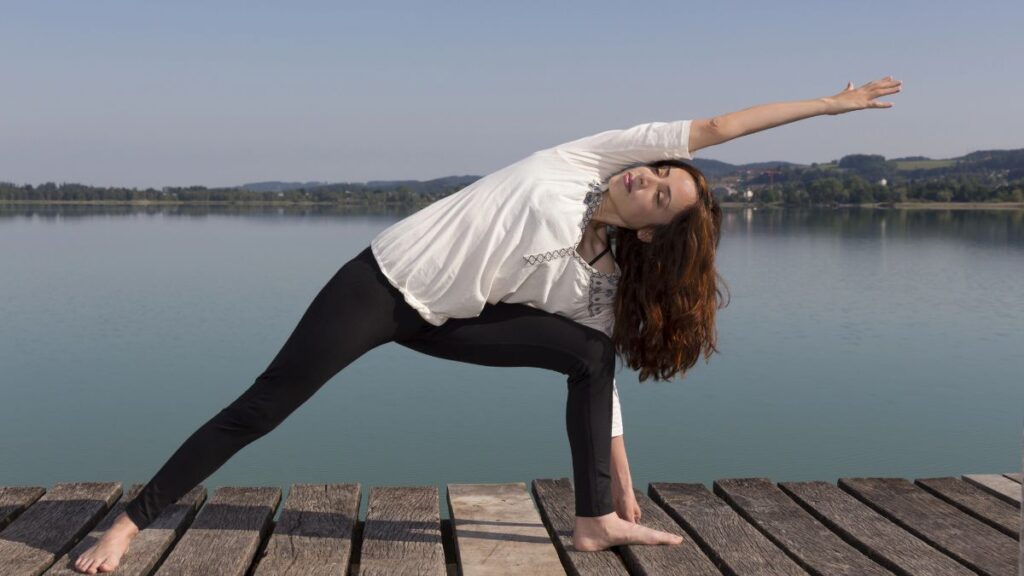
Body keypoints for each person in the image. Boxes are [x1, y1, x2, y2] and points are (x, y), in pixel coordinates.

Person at [73, 75, 902, 574]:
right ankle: (128, 522)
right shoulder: (581, 161)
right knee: (263, 406)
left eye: (660, 194)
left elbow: (601, 388)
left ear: (652, 231)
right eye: (656, 172)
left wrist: (622, 485)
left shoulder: (601, 277)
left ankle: (594, 523)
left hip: (450, 323)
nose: (650, 179)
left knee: (588, 351)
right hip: (379, 285)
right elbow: (717, 129)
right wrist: (830, 106)